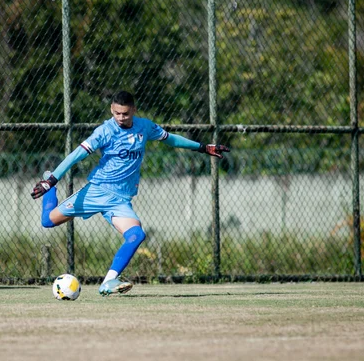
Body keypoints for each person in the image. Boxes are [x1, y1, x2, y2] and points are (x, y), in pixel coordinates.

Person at [31, 91, 229, 296]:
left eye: (125, 114)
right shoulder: (104, 131)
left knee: (136, 234)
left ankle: (108, 282)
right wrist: (51, 181)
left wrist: (203, 147)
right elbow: (76, 156)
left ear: (134, 110)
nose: (121, 118)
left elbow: (171, 140)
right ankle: (51, 190)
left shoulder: (145, 126)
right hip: (97, 191)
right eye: (117, 113)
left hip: (120, 200)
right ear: (111, 110)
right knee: (47, 221)